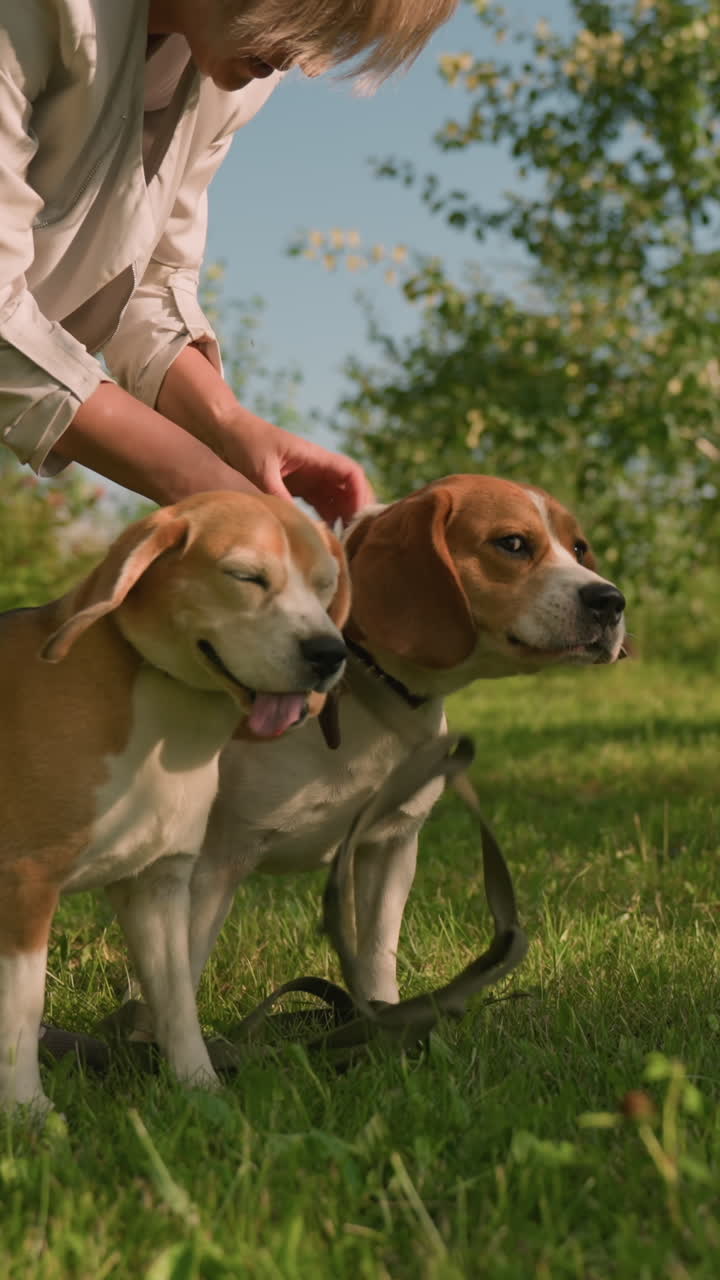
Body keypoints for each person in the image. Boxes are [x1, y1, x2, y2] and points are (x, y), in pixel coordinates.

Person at [0, 0, 457, 525]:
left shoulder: (222, 74)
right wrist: (205, 483)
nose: (309, 64)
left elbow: (147, 282)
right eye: (317, 17)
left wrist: (231, 428)